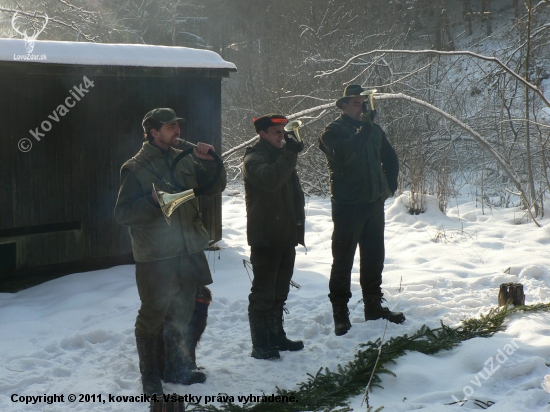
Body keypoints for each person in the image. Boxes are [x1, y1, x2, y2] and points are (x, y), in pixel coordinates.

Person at [114, 108, 226, 394]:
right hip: (156, 256)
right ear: (154, 132)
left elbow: (215, 188)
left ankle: (177, 368)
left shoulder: (185, 160)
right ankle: (150, 376)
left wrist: (210, 161)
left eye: (178, 126)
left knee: (184, 311)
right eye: (171, 127)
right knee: (153, 314)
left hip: (187, 249)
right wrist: (152, 202)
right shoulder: (135, 167)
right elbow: (122, 214)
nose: (178, 131)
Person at [318, 85, 404, 336]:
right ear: (343, 106)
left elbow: (390, 157)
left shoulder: (375, 131)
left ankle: (373, 307)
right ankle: (340, 313)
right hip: (347, 206)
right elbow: (344, 155)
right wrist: (365, 128)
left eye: (364, 103)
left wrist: (389, 187)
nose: (362, 107)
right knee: (343, 260)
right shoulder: (332, 132)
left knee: (374, 257)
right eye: (356, 103)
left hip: (373, 204)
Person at [242, 114, 306, 360]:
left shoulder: (279, 156)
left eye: (284, 131)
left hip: (285, 235)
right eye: (277, 132)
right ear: (263, 134)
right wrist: (290, 154)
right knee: (263, 293)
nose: (283, 136)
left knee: (280, 291)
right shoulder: (253, 159)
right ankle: (260, 344)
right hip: (266, 237)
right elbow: (271, 180)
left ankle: (276, 336)